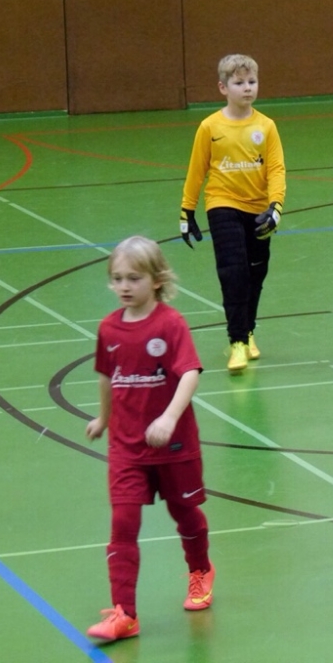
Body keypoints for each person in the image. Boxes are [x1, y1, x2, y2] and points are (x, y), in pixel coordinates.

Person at [85, 236, 213, 642]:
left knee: (185, 513)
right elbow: (107, 377)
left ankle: (200, 569)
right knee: (123, 525)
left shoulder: (170, 324)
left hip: (174, 446)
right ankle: (124, 613)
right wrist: (104, 418)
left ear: (157, 279)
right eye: (117, 278)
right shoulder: (108, 328)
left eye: (134, 278)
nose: (124, 286)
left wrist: (169, 418)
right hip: (126, 448)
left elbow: (189, 373)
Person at [180, 54, 287, 373]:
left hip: (258, 209)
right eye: (239, 83)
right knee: (233, 271)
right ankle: (237, 341)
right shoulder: (210, 127)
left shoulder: (266, 126)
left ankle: (248, 330)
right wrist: (187, 209)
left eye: (252, 81)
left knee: (256, 272)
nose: (247, 88)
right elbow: (197, 169)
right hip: (222, 203)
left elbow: (276, 169)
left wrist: (276, 207)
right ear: (223, 88)